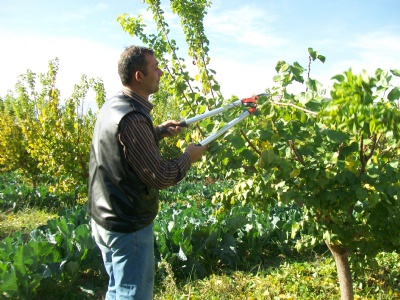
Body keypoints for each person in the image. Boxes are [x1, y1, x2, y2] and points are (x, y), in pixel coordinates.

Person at [88, 45, 207, 300]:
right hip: (126, 224)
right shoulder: (132, 118)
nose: (161, 72)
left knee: (116, 288)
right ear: (139, 76)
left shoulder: (115, 105)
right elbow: (161, 175)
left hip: (104, 216)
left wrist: (159, 131)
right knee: (134, 294)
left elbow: (123, 146)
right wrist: (189, 157)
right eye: (155, 68)